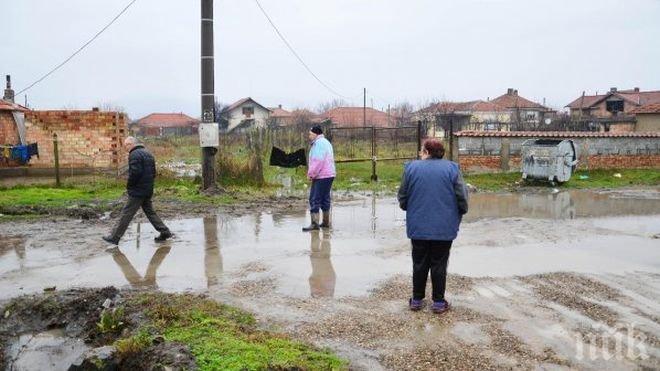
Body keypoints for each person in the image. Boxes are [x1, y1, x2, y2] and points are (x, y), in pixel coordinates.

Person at [397, 138, 468, 314]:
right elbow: (462, 197)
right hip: (444, 227)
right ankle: (438, 302)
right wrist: (460, 212)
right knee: (439, 263)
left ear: (427, 152)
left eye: (422, 150)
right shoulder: (452, 168)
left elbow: (403, 197)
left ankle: (417, 300)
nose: (420, 153)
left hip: (418, 226)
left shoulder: (411, 168)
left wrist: (410, 208)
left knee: (419, 262)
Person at [103, 137, 172, 245]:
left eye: (126, 145)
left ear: (131, 144)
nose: (125, 148)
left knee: (127, 213)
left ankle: (115, 237)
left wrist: (129, 186)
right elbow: (153, 172)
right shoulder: (148, 153)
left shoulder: (134, 154)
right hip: (148, 189)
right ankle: (165, 231)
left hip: (138, 191)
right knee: (150, 212)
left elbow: (135, 173)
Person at [303, 125, 336, 231]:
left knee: (314, 198)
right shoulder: (326, 142)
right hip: (329, 174)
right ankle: (326, 222)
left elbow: (317, 161)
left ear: (315, 134)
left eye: (310, 134)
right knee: (325, 198)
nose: (309, 136)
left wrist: (311, 174)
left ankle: (314, 223)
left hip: (321, 175)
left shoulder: (318, 144)